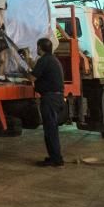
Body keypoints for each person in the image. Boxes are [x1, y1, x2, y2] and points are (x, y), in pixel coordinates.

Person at [28, 37, 65, 167]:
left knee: (50, 130)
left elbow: (33, 76)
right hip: (56, 98)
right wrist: (27, 60)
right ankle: (54, 157)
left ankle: (56, 159)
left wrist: (25, 74)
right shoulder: (52, 59)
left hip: (50, 99)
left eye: (37, 47)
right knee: (51, 129)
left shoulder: (44, 60)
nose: (36, 49)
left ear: (40, 47)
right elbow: (38, 69)